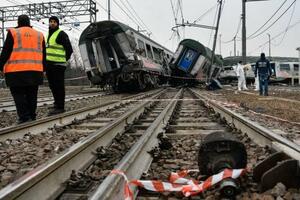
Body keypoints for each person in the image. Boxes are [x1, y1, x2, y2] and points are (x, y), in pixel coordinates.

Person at [0, 15, 45, 124]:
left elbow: (6, 51)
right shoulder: (39, 35)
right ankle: (32, 116)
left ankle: (24, 117)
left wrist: (0, 66)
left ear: (18, 23)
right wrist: (44, 69)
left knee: (18, 94)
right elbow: (44, 54)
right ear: (29, 23)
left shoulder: (13, 32)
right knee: (32, 94)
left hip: (16, 71)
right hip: (35, 70)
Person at [45, 16, 73, 115]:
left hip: (58, 65)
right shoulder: (48, 34)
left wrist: (63, 60)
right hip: (49, 65)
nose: (52, 23)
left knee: (58, 85)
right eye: (50, 22)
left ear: (57, 23)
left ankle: (60, 107)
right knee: (52, 85)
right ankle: (56, 103)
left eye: (54, 22)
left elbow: (69, 49)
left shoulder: (61, 34)